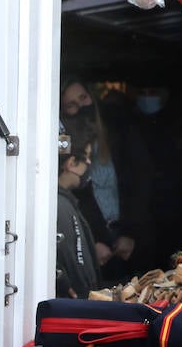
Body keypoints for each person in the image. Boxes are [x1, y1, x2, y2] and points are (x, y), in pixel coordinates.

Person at [59, 76, 155, 278]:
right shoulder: (66, 151)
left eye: (83, 98)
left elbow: (138, 184)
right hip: (91, 240)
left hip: (124, 235)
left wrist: (130, 233)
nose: (81, 106)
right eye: (71, 105)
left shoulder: (118, 135)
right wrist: (93, 240)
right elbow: (77, 197)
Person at [57, 120, 101, 298]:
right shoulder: (60, 206)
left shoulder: (62, 202)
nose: (89, 163)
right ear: (72, 163)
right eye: (88, 157)